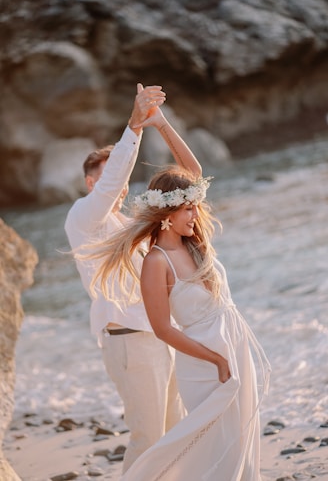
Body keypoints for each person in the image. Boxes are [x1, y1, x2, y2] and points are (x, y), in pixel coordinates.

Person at [83, 108, 271, 480]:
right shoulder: (156, 262)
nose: (194, 214)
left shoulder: (194, 243)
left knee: (241, 435)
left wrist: (161, 122)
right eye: (187, 208)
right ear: (167, 214)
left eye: (194, 206)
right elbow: (163, 329)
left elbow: (194, 174)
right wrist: (215, 360)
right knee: (209, 443)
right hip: (203, 359)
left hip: (233, 343)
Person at [65, 83, 203, 471]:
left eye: (123, 175)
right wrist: (135, 127)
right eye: (110, 177)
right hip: (130, 341)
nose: (120, 182)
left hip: (164, 336)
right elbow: (112, 185)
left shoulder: (132, 225)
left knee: (177, 433)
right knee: (148, 439)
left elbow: (192, 177)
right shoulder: (83, 217)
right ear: (92, 183)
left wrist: (160, 123)